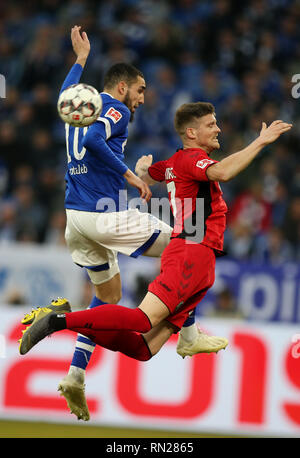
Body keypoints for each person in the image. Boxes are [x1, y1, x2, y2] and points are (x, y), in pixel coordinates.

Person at [19, 102, 291, 418]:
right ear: (192, 132)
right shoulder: (192, 159)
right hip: (191, 251)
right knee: (141, 320)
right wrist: (260, 141)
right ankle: (57, 320)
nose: (218, 129)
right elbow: (224, 172)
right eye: (211, 124)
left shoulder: (177, 161)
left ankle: (185, 336)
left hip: (199, 258)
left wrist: (146, 171)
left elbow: (159, 172)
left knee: (143, 349)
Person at [25, 26, 221, 421]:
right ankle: (188, 336)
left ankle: (75, 375)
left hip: (74, 218)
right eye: (140, 90)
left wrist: (79, 61)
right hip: (103, 214)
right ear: (121, 86)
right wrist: (131, 177)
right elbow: (98, 141)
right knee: (189, 242)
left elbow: (67, 92)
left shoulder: (77, 104)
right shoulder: (113, 108)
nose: (142, 99)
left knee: (108, 298)